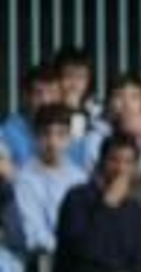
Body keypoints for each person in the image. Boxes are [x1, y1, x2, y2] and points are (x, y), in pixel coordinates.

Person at [53, 134, 141, 272]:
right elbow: (84, 252)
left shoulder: (134, 208)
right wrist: (108, 206)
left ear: (135, 168)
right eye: (114, 160)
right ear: (101, 162)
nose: (120, 168)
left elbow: (139, 262)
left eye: (128, 162)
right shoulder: (77, 198)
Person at [14, 103, 88, 261]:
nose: (53, 142)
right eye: (45, 134)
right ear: (34, 136)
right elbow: (34, 235)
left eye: (61, 134)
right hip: (44, 262)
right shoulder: (24, 179)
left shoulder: (80, 177)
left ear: (70, 138)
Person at [1, 63, 61, 168]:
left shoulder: (72, 126)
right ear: (26, 96)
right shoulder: (8, 130)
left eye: (51, 92)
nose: (45, 101)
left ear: (60, 96)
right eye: (38, 93)